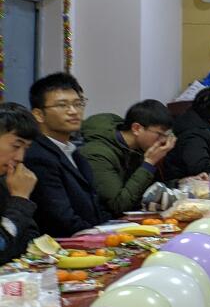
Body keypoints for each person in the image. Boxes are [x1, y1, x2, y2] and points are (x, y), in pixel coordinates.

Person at [24, 73, 110, 237]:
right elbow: (62, 220)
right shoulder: (37, 156)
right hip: (62, 245)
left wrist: (115, 229)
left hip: (90, 240)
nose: (74, 111)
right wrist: (104, 236)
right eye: (62, 105)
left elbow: (96, 208)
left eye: (78, 104)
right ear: (39, 115)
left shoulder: (75, 153)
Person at [81, 100, 176, 216]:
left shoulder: (140, 148)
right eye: (160, 134)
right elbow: (118, 205)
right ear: (136, 128)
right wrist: (149, 163)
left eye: (166, 135)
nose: (163, 140)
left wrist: (180, 183)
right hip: (106, 220)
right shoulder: (98, 154)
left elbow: (151, 189)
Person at [0, 103, 40, 265]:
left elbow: (30, 240)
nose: (20, 158)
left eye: (26, 148)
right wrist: (20, 200)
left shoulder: (6, 180)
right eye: (16, 146)